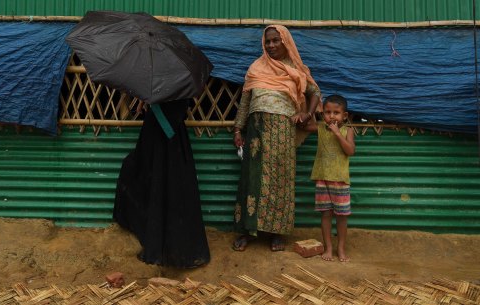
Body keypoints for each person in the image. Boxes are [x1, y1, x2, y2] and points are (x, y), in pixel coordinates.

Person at [232, 25, 322, 252]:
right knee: (252, 180)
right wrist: (237, 130)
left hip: (283, 131)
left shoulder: (296, 69)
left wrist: (307, 114)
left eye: (276, 41)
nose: (271, 45)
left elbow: (315, 93)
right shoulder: (256, 67)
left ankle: (277, 234)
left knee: (280, 180)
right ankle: (247, 231)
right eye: (268, 41)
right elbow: (245, 101)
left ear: (285, 42)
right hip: (255, 132)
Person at [113, 99, 210, 268]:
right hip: (171, 136)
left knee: (159, 180)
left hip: (161, 133)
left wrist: (150, 102)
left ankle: (160, 242)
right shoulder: (181, 82)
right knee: (165, 182)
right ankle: (166, 242)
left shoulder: (162, 82)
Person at [302, 94, 355, 262]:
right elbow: (303, 126)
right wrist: (305, 114)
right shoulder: (319, 128)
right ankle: (328, 248)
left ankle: (341, 248)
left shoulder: (348, 131)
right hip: (323, 179)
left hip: (340, 180)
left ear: (344, 116)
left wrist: (338, 134)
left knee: (342, 216)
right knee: (325, 214)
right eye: (327, 112)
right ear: (322, 114)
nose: (331, 116)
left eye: (336, 113)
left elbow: (350, 151)